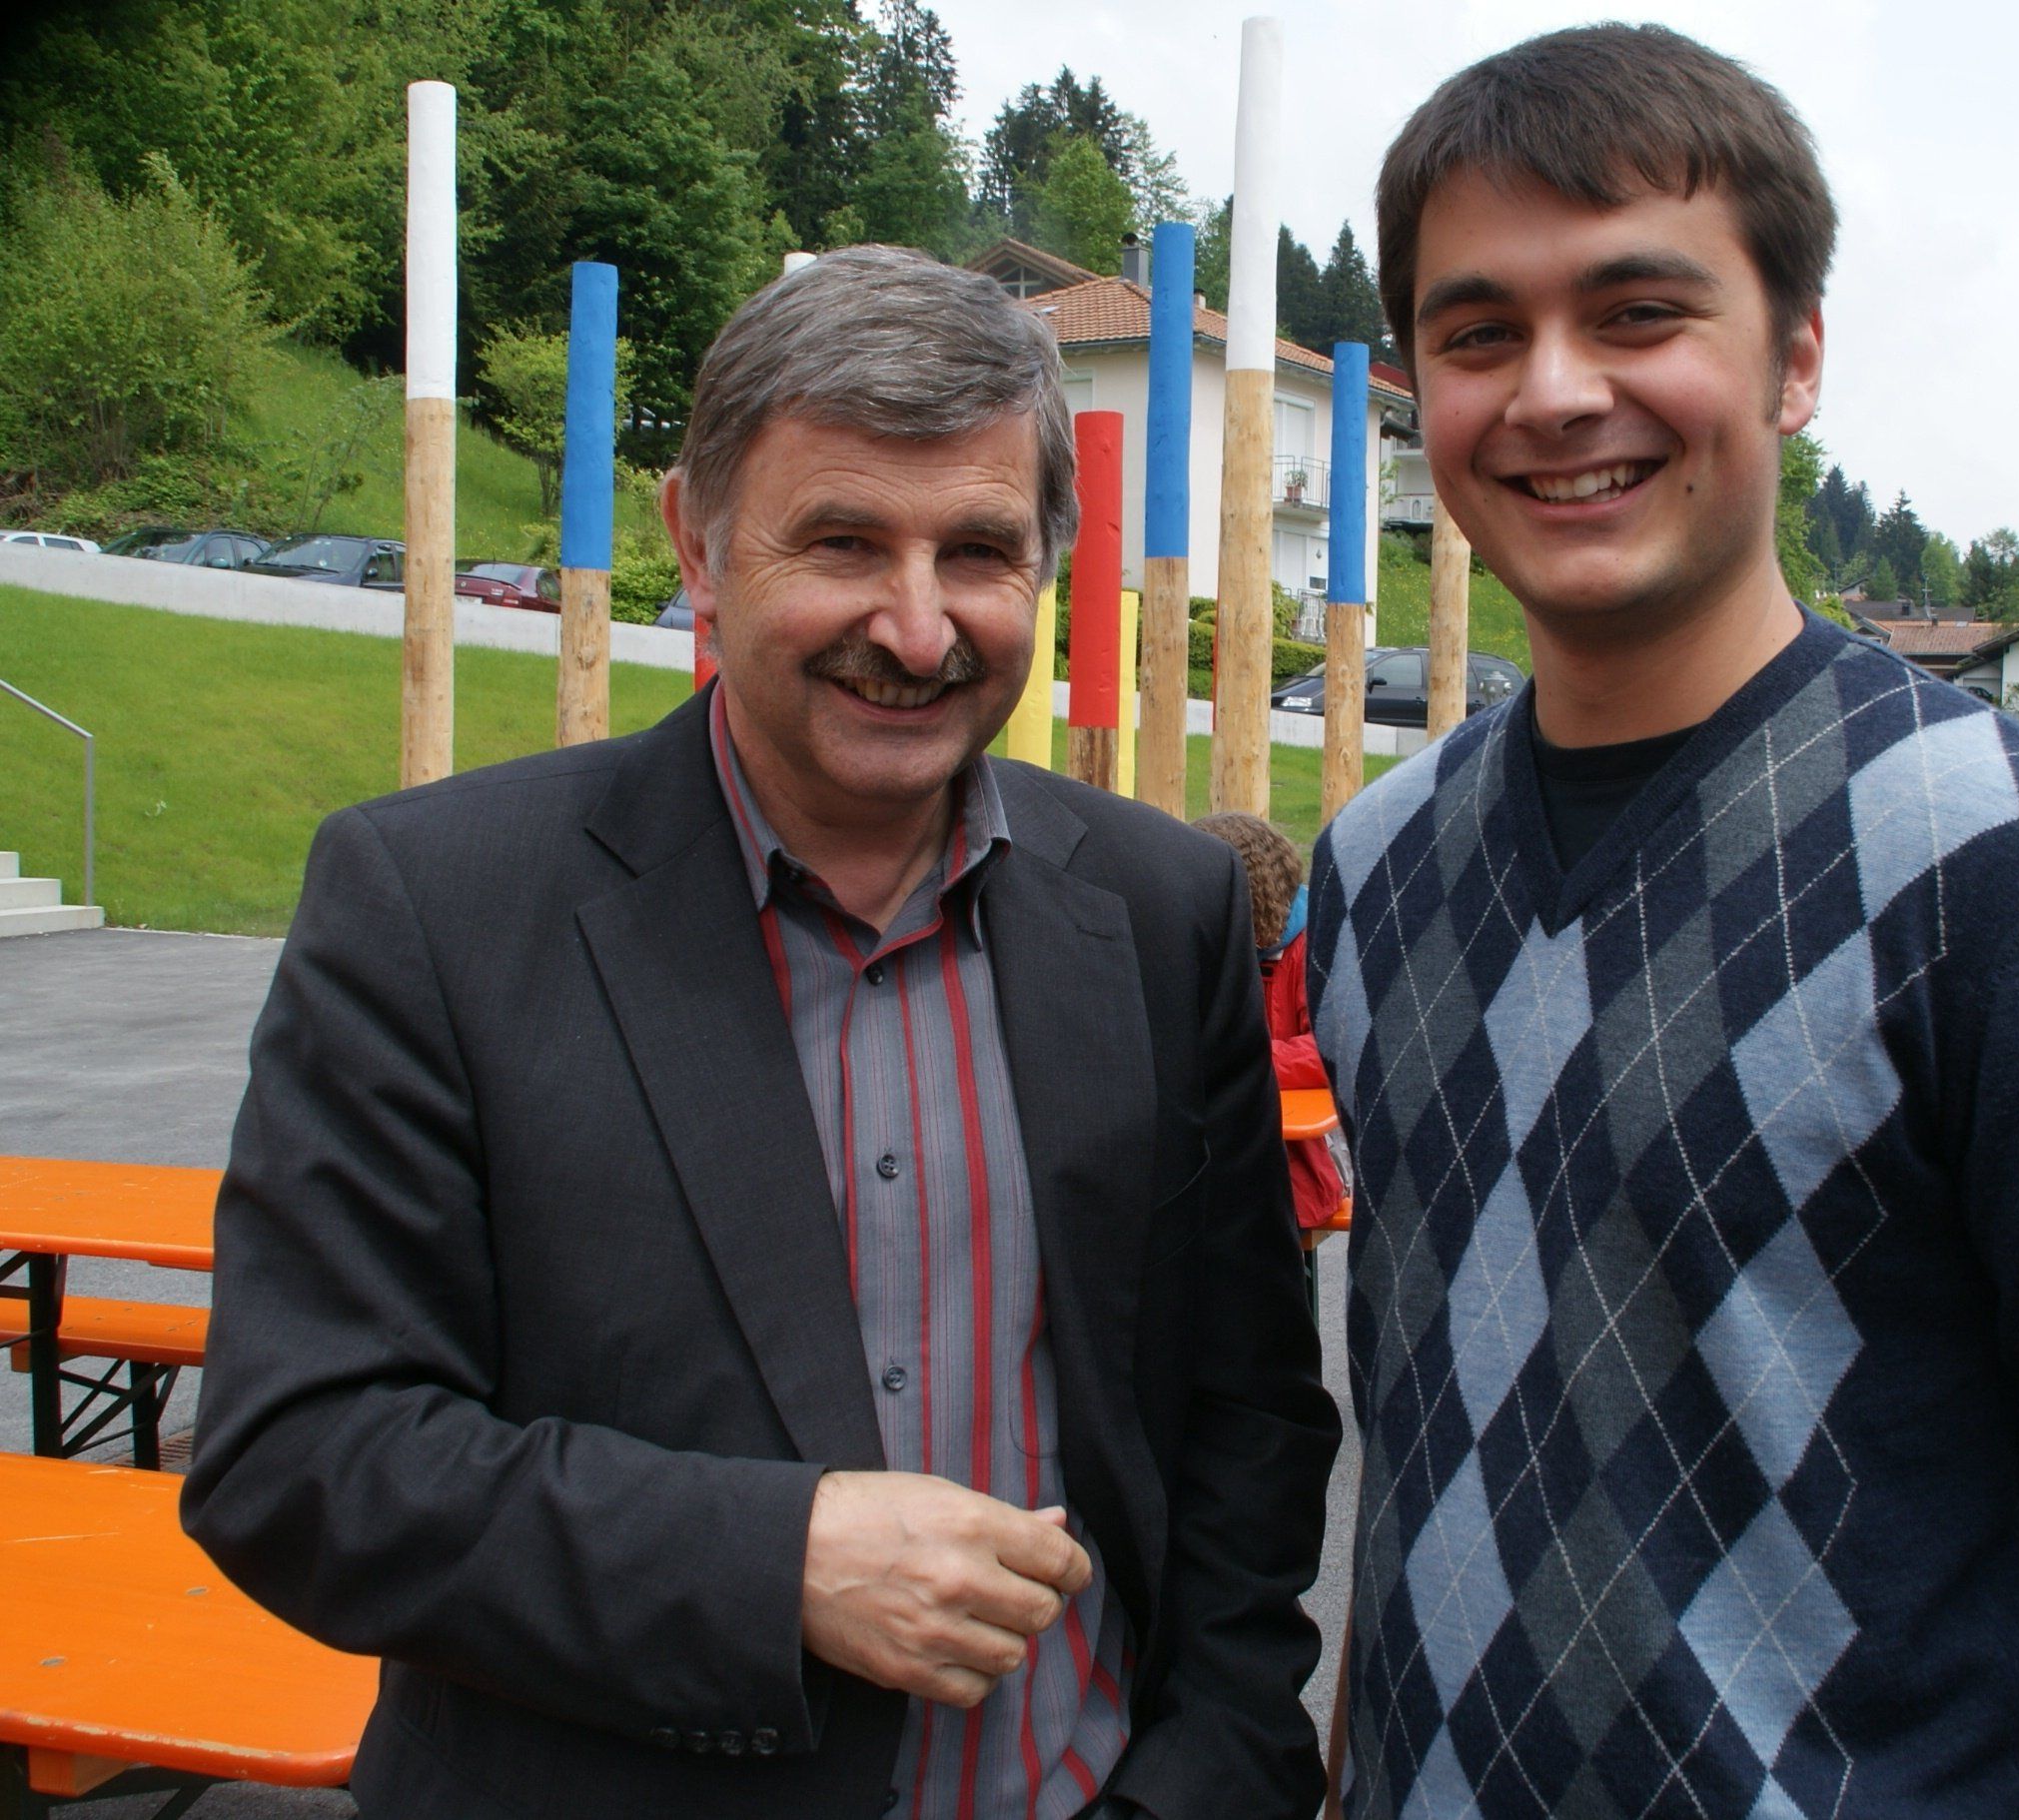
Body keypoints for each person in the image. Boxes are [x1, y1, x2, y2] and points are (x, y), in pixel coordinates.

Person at [1307, 25, 2019, 1820]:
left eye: (1639, 312)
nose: (1554, 391)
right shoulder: (1373, 865)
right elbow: (1429, 1455)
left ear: (1795, 358)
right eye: (1479, 334)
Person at [183, 248, 1340, 1820]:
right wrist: (775, 1561)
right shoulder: (436, 905)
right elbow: (300, 1457)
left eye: (978, 552)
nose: (918, 629)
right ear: (698, 540)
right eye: (844, 541)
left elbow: (1244, 1414)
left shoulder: (1160, 909)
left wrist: (1209, 1776)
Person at [1192, 811, 1343, 1234]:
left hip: (1292, 1162)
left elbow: (1329, 1049)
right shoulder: (1201, 942)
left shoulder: (1314, 944)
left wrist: (1238, 1060)